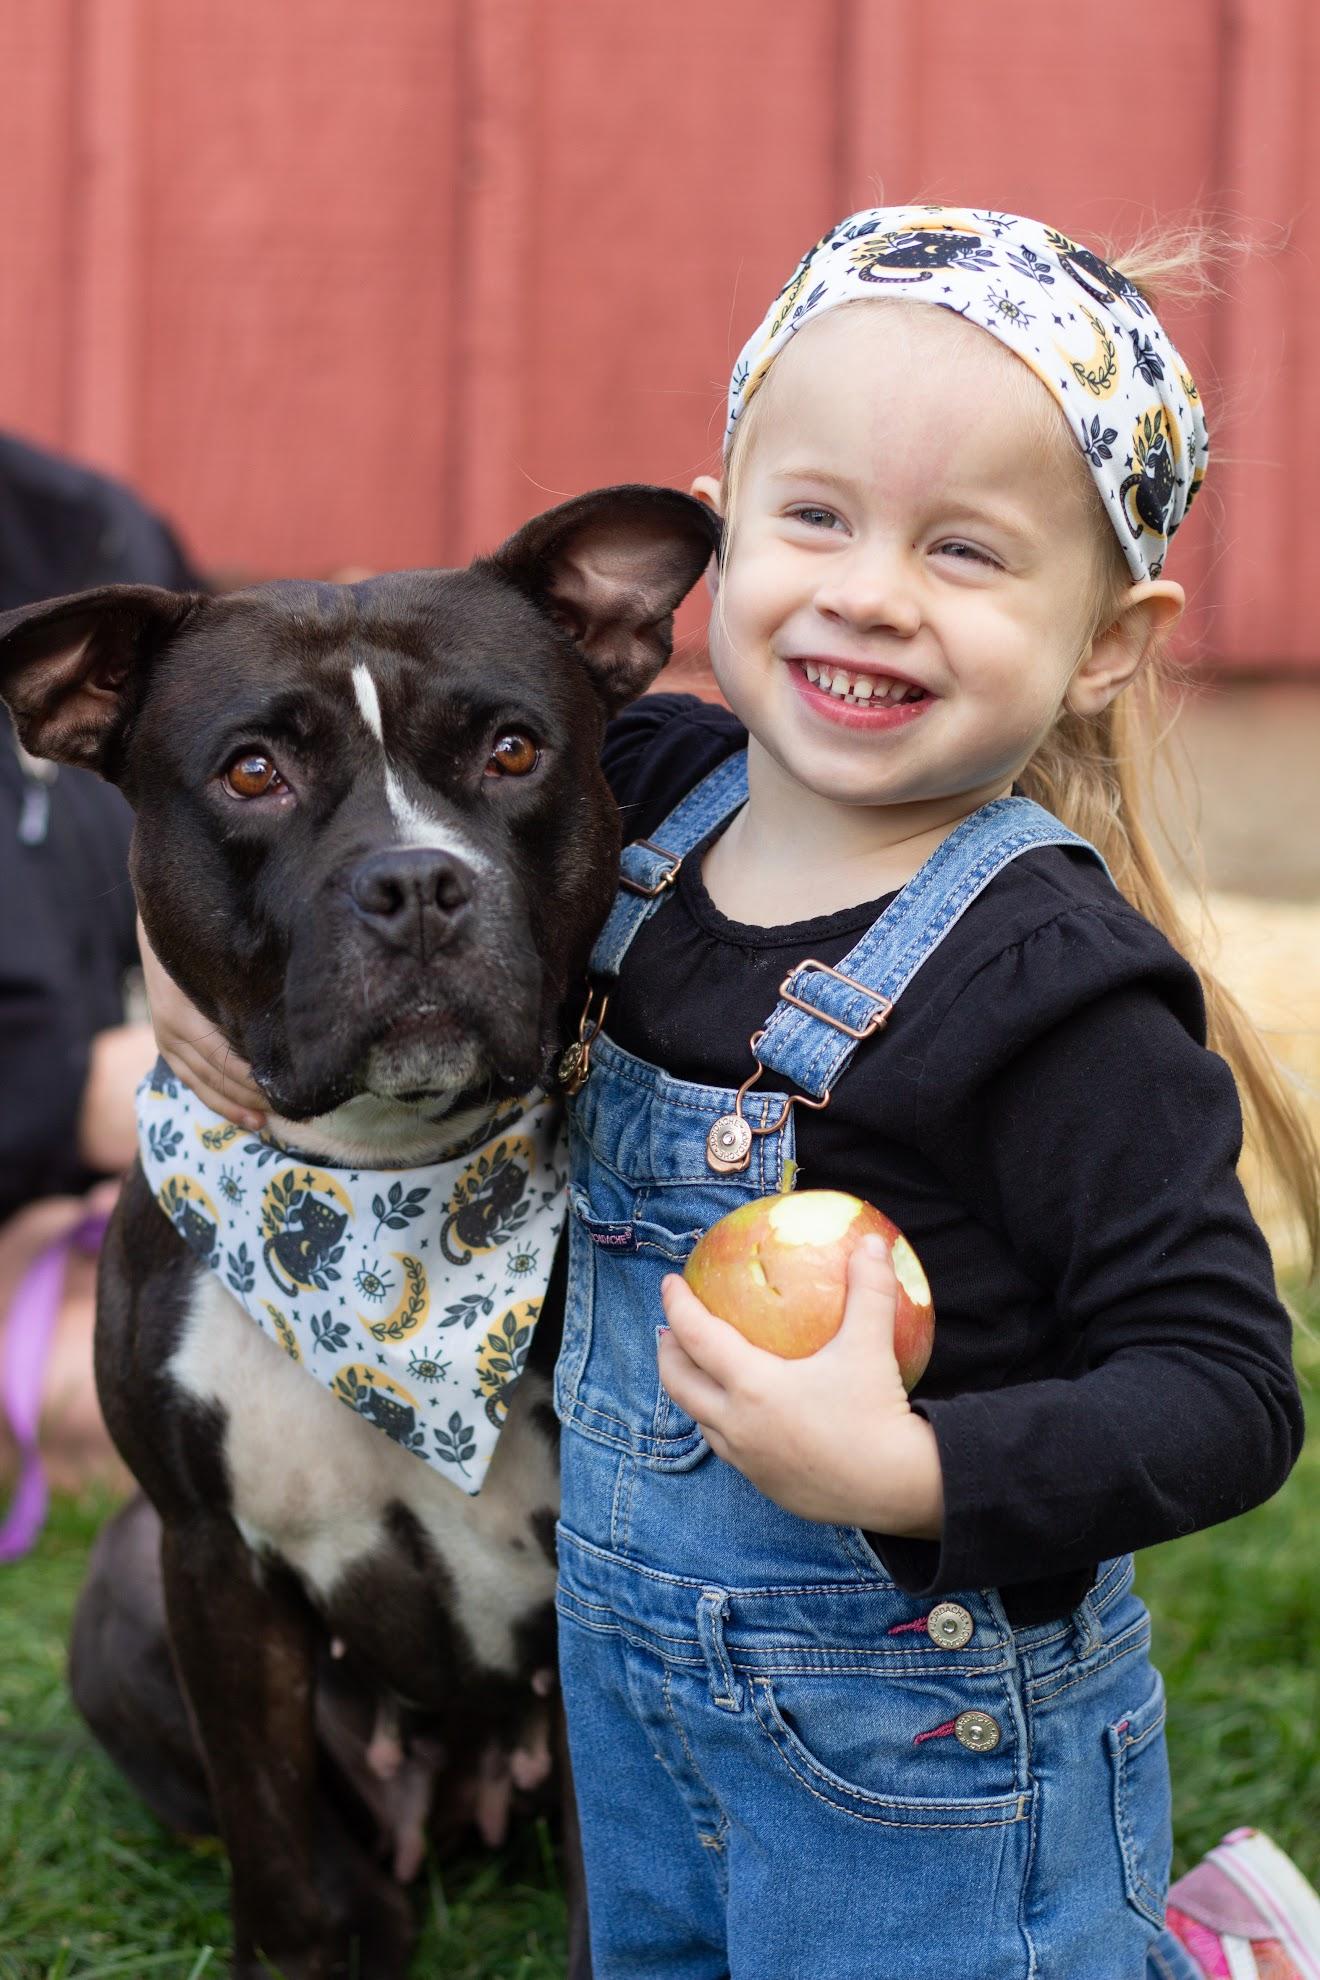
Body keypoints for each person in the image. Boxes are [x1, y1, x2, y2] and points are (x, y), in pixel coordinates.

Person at [145, 207, 1317, 1978]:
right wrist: (184, 977)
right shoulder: (636, 794)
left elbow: (1229, 1392)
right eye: (818, 518)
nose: (869, 589)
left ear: (1105, 639)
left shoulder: (1052, 992)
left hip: (922, 1776)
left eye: (970, 552)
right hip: (642, 1734)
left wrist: (912, 1464)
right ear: (720, 540)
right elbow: (324, 779)